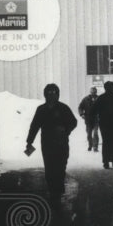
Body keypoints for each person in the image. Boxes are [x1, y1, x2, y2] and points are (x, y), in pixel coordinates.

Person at [25, 83, 77, 214]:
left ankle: (57, 193)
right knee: (49, 169)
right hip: (47, 145)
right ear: (45, 95)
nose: (52, 96)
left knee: (60, 167)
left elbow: (73, 122)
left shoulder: (63, 108)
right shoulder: (41, 110)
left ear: (58, 95)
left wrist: (66, 129)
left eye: (54, 93)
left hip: (61, 144)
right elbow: (34, 126)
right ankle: (53, 192)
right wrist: (29, 141)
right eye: (49, 93)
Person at [77, 86, 100, 151]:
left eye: (94, 92)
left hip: (96, 119)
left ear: (96, 92)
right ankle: (90, 145)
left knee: (95, 133)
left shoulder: (99, 99)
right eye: (92, 92)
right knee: (89, 134)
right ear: (90, 92)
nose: (93, 93)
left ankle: (95, 147)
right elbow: (80, 107)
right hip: (88, 119)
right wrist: (82, 114)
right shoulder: (85, 99)